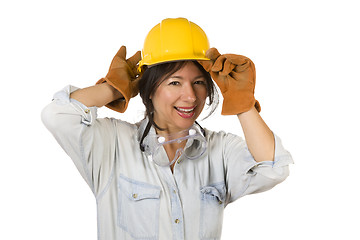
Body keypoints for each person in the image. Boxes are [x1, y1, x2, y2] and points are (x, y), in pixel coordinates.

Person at [42, 18, 293, 240]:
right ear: (149, 88)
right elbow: (56, 114)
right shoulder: (112, 145)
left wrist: (243, 103)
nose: (191, 96)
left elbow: (273, 169)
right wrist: (114, 88)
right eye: (175, 82)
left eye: (198, 83)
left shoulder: (221, 150)